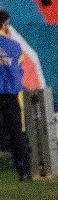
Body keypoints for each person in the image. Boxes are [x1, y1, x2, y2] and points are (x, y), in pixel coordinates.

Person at [0, 10, 31, 182]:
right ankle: (24, 171)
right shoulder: (13, 46)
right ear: (4, 25)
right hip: (9, 96)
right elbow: (19, 71)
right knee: (15, 134)